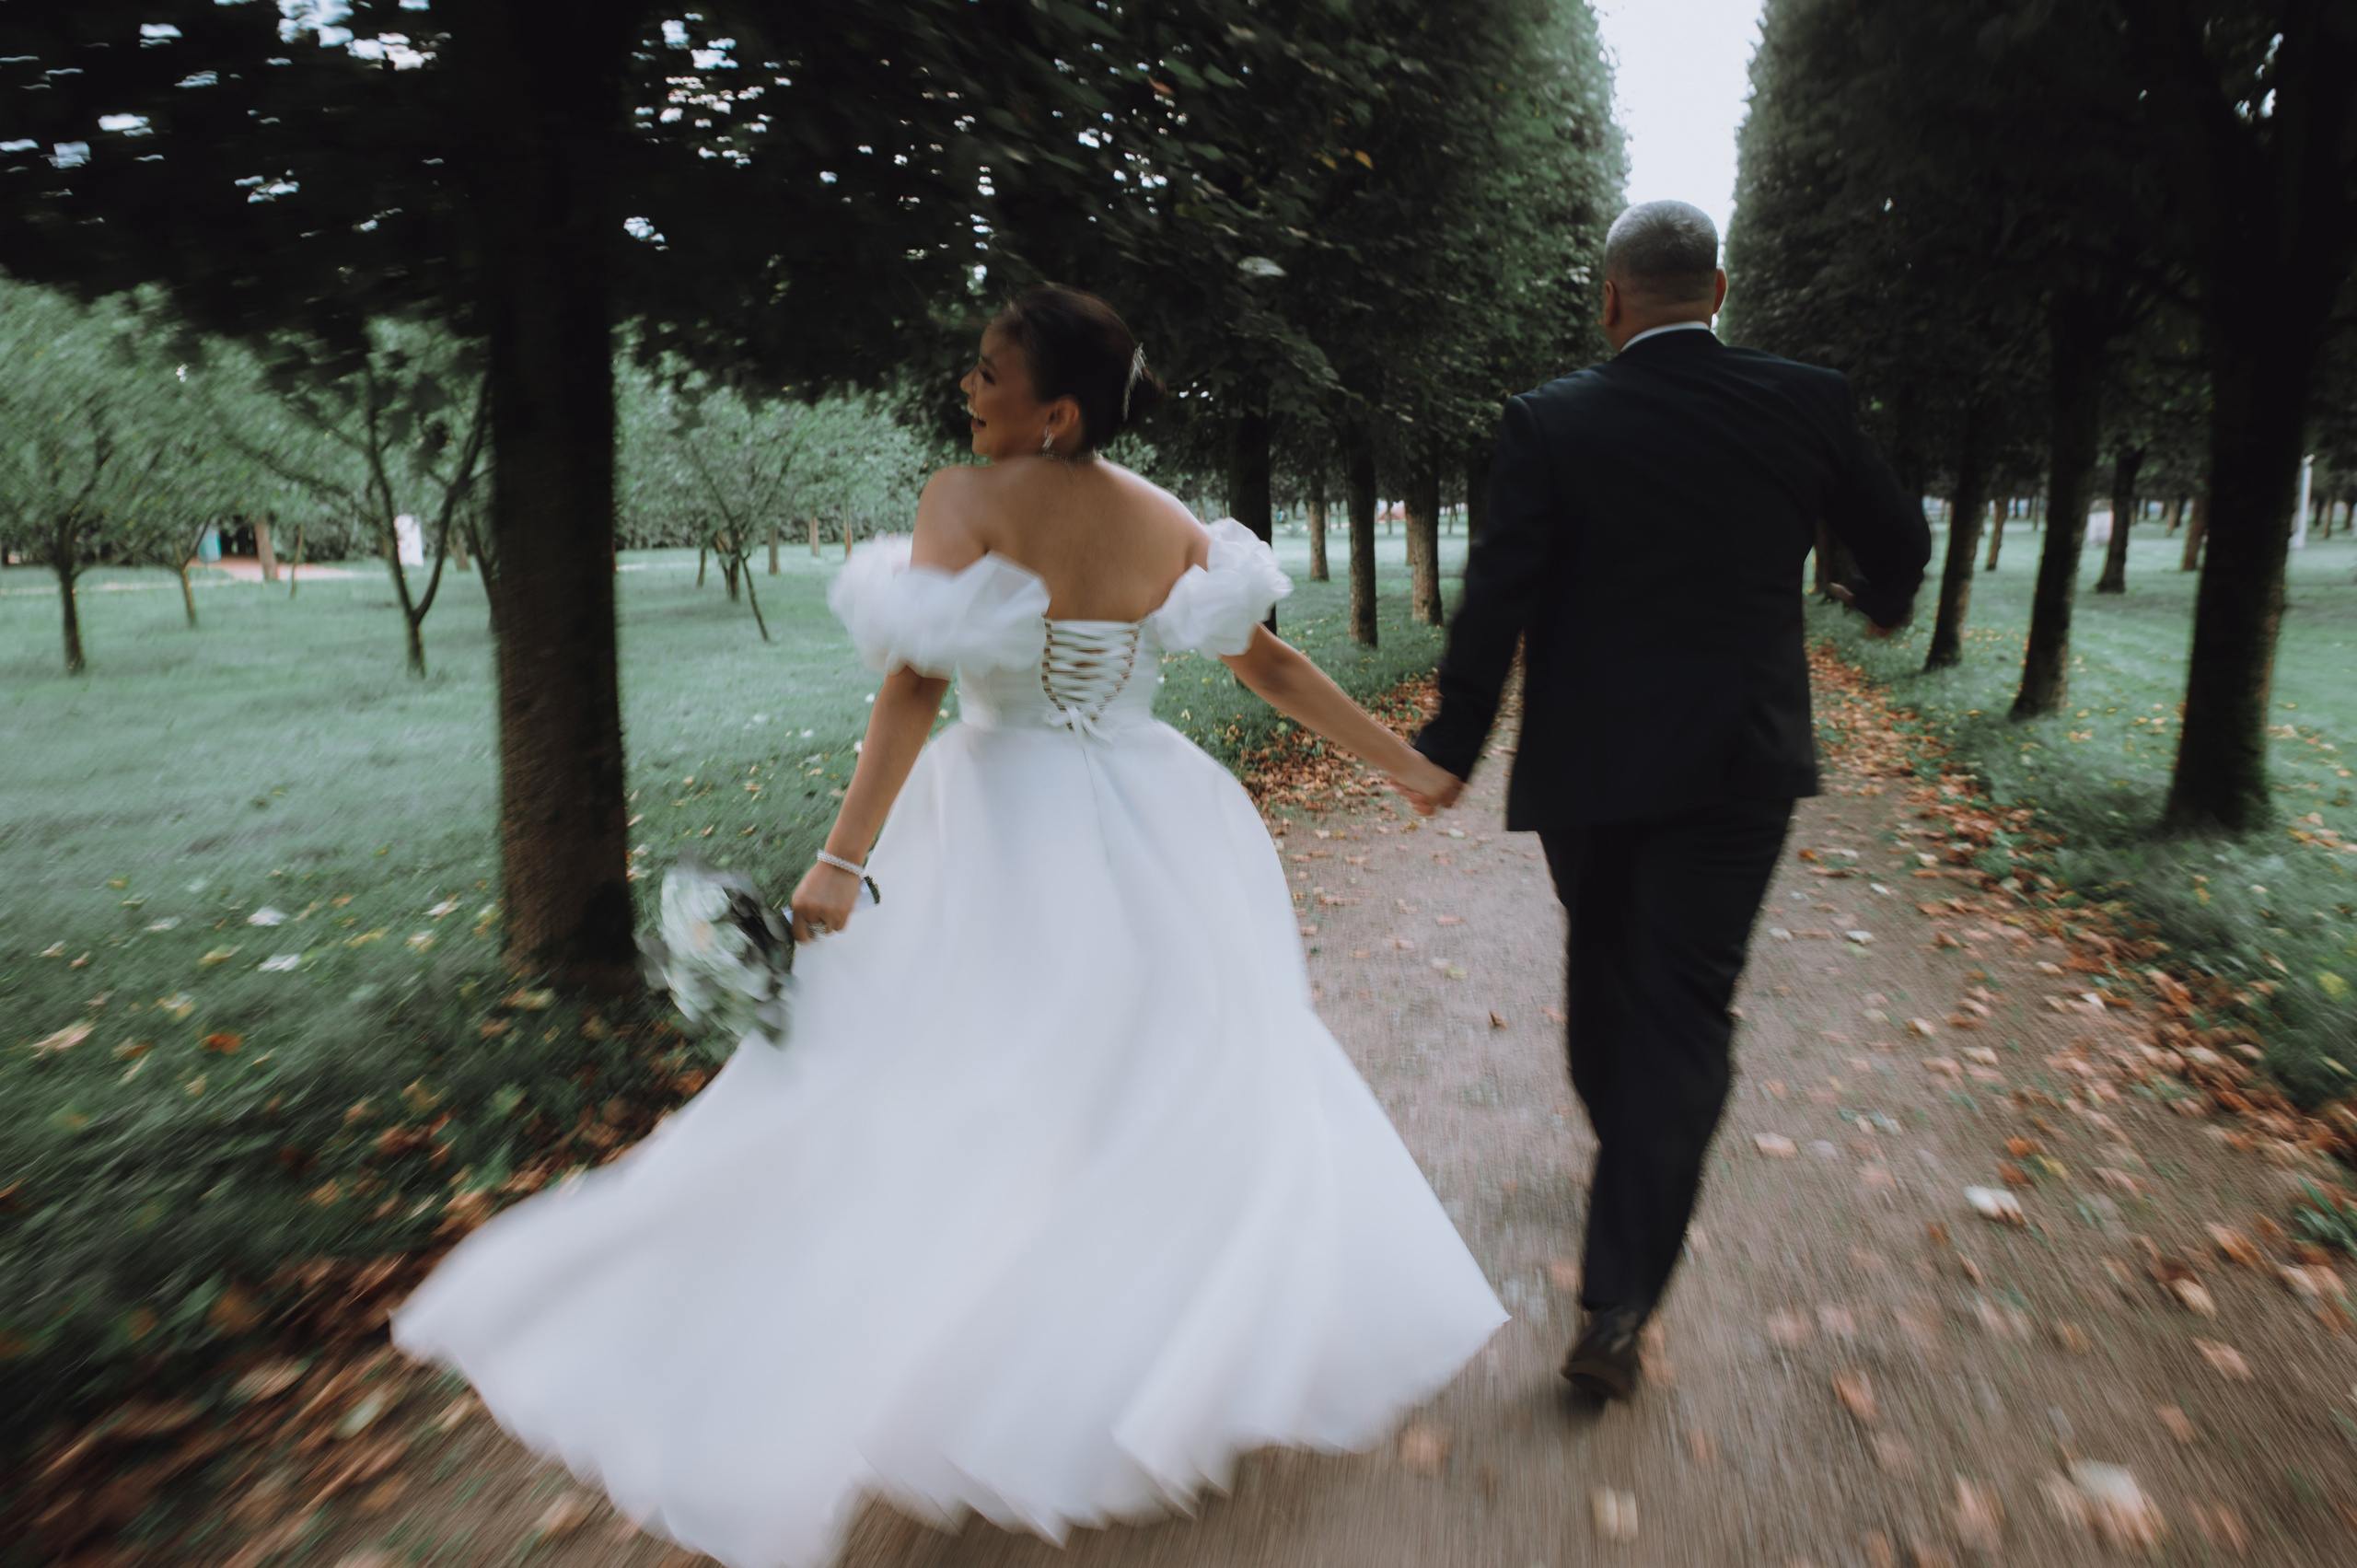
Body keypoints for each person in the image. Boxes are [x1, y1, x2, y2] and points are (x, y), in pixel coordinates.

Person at [394, 285, 1504, 1568]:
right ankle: (1100, 1362)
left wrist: (839, 861)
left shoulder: (963, 504)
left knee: (954, 1083)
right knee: (1154, 1088)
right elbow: (1266, 665)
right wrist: (1404, 766)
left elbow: (917, 685)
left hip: (997, 821)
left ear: (1057, 411)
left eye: (989, 374)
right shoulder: (1168, 521)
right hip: (1162, 828)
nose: (968, 392)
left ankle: (996, 1364)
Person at [1412, 200, 1930, 1402]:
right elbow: (1895, 543)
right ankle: (1625, 1287)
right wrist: (1872, 591)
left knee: (1605, 978)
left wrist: (1451, 741)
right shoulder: (1809, 399)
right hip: (1740, 762)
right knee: (1687, 1006)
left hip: (1590, 767)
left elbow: (1499, 595)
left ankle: (1623, 1228)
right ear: (1721, 289)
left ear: (1610, 300)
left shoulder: (1549, 422)